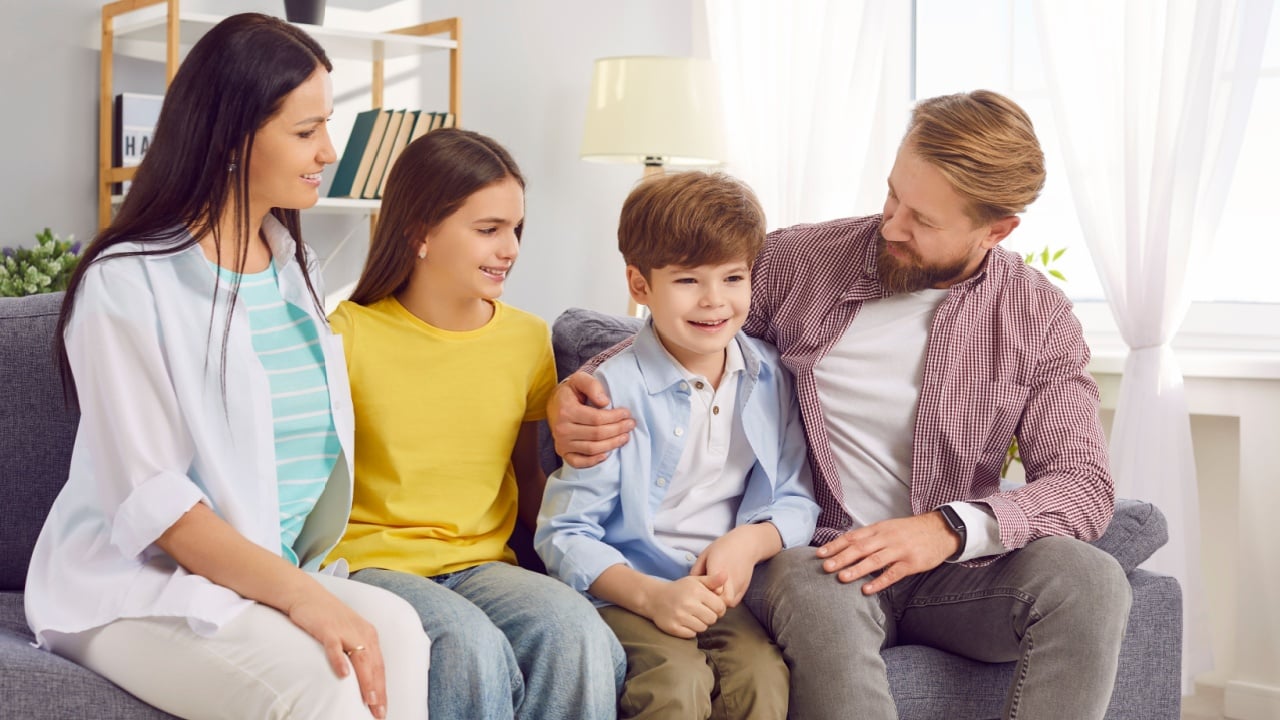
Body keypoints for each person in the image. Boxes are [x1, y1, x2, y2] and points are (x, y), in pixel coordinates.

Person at [548, 90, 1131, 720]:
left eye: (923, 221)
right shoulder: (802, 263)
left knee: (1092, 581)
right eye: (892, 196)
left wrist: (946, 529)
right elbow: (679, 327)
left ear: (996, 230)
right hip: (820, 558)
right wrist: (576, 387)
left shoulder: (1035, 315)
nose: (891, 226)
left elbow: (1083, 487)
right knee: (812, 583)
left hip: (953, 575)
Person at [24, 14, 428, 720]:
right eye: (305, 133)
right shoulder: (126, 282)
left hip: (253, 572)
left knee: (401, 632)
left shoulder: (293, 264)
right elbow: (161, 509)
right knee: (326, 682)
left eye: (325, 126)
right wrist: (303, 598)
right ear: (233, 139)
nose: (328, 150)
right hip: (131, 587)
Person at [325, 128, 624, 720]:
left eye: (516, 228)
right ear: (420, 233)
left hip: (484, 564)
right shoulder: (345, 334)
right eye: (488, 230)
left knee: (575, 631)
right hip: (371, 565)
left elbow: (527, 480)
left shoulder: (526, 338)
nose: (510, 247)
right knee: (468, 646)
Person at [535, 171, 820, 720]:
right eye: (688, 280)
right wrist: (650, 596)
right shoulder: (611, 390)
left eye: (733, 277)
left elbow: (794, 497)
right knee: (676, 683)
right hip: (626, 588)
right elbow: (564, 532)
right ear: (640, 286)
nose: (715, 301)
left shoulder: (769, 376)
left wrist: (751, 542)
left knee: (763, 679)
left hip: (717, 592)